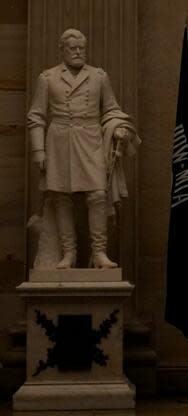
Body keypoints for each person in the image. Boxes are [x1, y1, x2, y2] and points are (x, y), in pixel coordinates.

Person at [27, 28, 140, 269]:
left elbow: (111, 109)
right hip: (59, 142)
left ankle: (99, 253)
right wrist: (39, 151)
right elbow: (36, 116)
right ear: (62, 50)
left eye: (82, 48)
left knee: (98, 195)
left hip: (90, 141)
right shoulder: (47, 78)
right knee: (61, 197)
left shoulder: (99, 77)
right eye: (73, 48)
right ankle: (69, 254)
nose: (78, 52)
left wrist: (119, 127)